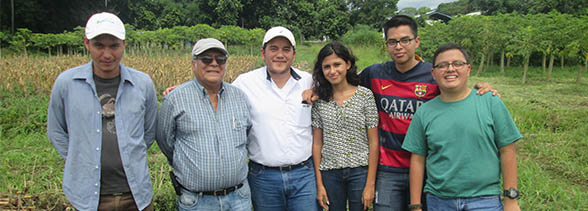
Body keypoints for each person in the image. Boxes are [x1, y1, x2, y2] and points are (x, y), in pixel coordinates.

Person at [302, 15, 499, 211]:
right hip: (388, 168)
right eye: (393, 41)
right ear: (386, 44)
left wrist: (481, 88)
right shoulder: (375, 74)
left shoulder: (433, 74)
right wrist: (317, 91)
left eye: (405, 40)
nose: (399, 46)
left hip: (426, 166)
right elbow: (343, 85)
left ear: (417, 41)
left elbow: (456, 90)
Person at [47, 12, 157, 211]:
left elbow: (148, 134)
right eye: (99, 45)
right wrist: (80, 157)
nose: (107, 54)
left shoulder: (143, 84)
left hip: (136, 195)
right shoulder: (67, 84)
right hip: (87, 198)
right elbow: (56, 131)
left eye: (114, 45)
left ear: (124, 44)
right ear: (86, 43)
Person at [402, 43, 522, 211]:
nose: (450, 69)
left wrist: (511, 199)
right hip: (439, 200)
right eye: (442, 65)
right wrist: (415, 206)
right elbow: (417, 160)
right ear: (434, 74)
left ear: (468, 69)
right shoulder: (424, 112)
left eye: (457, 64)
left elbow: (507, 150)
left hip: (484, 200)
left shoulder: (490, 102)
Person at [156, 38, 252, 211]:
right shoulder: (175, 99)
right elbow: (165, 141)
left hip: (238, 199)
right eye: (206, 59)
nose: (214, 64)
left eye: (220, 59)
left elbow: (248, 135)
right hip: (196, 201)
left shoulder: (240, 97)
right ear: (194, 64)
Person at [231, 26, 320, 211]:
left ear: (294, 54)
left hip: (304, 175)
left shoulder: (309, 81)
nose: (280, 54)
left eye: (286, 49)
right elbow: (217, 94)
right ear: (263, 53)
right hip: (263, 177)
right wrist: (184, 91)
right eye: (274, 49)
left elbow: (341, 88)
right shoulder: (244, 83)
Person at [310, 41, 379, 211]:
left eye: (337, 64)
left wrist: (370, 184)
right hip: (330, 172)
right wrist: (320, 184)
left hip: (359, 171)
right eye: (327, 67)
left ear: (348, 64)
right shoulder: (320, 100)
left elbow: (374, 142)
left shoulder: (365, 96)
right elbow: (317, 144)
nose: (332, 71)